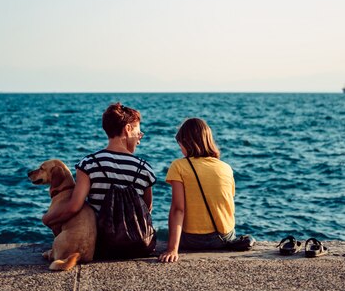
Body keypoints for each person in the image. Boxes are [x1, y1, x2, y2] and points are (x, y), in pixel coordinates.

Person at [42, 102, 156, 256]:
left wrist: (47, 218)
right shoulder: (144, 168)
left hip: (100, 246)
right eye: (139, 133)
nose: (139, 139)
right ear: (128, 129)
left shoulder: (89, 164)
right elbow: (147, 209)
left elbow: (74, 207)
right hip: (137, 246)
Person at [159, 117, 237, 263]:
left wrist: (172, 249)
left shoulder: (179, 166)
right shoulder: (226, 167)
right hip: (223, 238)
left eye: (180, 144)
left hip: (193, 240)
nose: (181, 150)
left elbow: (178, 209)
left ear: (187, 143)